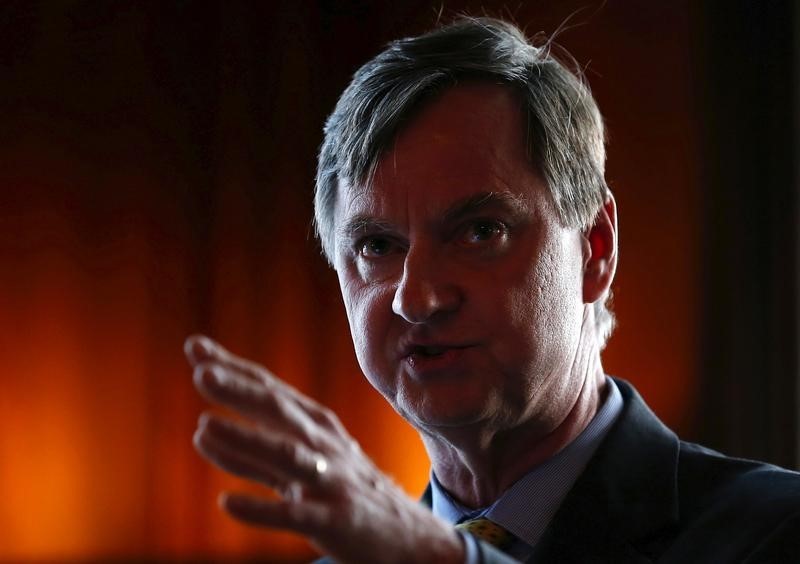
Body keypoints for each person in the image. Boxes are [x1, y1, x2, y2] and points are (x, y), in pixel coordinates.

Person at [184, 17, 800, 563]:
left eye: (481, 232)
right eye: (377, 246)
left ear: (595, 250)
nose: (415, 299)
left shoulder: (775, 530)